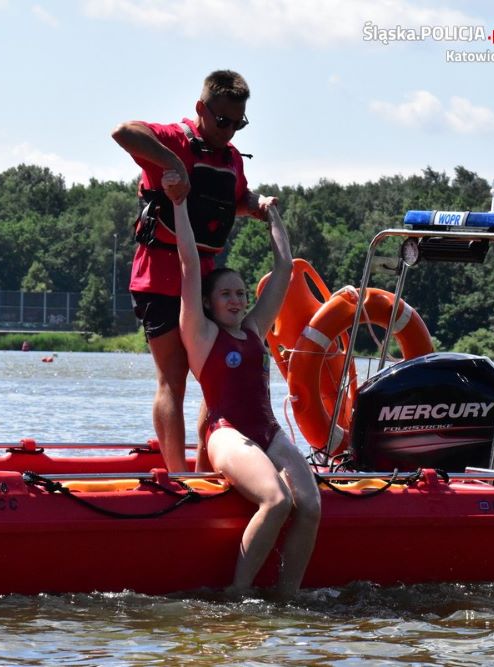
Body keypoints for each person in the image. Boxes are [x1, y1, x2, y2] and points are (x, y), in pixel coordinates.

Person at [112, 70, 277, 472]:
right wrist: (173, 165)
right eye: (222, 121)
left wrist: (256, 205)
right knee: (174, 377)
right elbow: (122, 132)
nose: (230, 132)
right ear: (201, 109)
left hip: (204, 279)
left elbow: (231, 200)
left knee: (215, 375)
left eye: (238, 124)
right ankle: (178, 477)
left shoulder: (231, 158)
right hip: (158, 277)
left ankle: (207, 469)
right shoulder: (173, 140)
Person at [169, 169, 320, 597]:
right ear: (209, 304)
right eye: (227, 295)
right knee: (277, 501)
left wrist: (273, 217)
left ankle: (287, 596)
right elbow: (189, 264)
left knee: (309, 505)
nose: (237, 300)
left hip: (266, 431)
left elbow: (284, 267)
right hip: (227, 433)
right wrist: (180, 205)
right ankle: (237, 594)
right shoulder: (201, 335)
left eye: (240, 293)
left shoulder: (254, 329)